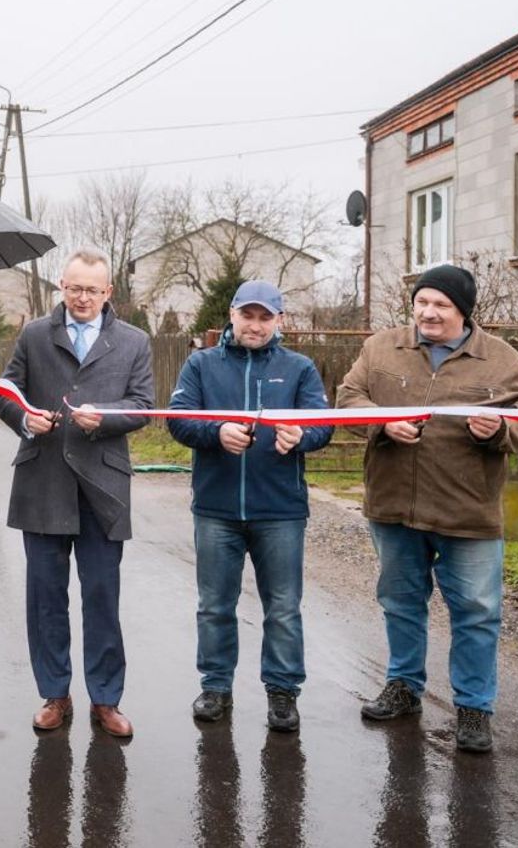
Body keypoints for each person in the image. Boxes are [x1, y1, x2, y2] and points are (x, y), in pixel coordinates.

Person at [338, 264, 518, 753]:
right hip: (393, 506)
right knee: (400, 602)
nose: (428, 313)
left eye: (441, 305)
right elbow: (348, 397)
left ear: (464, 312)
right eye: (422, 303)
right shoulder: (381, 348)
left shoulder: (501, 360)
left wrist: (501, 430)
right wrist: (382, 422)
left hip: (467, 513)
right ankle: (403, 686)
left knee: (476, 612)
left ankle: (473, 708)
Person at [0, 248, 153, 737]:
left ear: (108, 292)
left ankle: (106, 699)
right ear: (61, 286)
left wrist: (106, 418)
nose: (83, 298)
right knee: (45, 597)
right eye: (75, 288)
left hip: (103, 485)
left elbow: (142, 405)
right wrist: (25, 418)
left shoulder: (134, 341)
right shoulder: (34, 335)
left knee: (102, 596)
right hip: (42, 481)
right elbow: (5, 393)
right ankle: (54, 694)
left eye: (92, 290)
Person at [166, 280, 333, 732]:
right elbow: (179, 419)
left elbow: (323, 426)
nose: (255, 325)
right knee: (214, 605)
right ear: (232, 315)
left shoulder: (299, 368)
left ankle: (282, 692)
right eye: (248, 315)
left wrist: (301, 436)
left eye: (265, 317)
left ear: (279, 321)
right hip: (216, 508)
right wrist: (216, 432)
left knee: (283, 607)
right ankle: (216, 686)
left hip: (280, 511)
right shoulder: (201, 364)